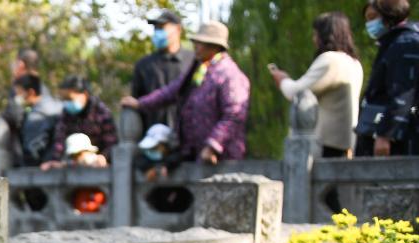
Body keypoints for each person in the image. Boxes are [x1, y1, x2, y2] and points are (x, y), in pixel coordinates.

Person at [122, 21, 250, 164]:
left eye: (200, 43)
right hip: (196, 156)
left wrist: (213, 146)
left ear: (213, 46)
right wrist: (140, 103)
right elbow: (170, 92)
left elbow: (234, 115)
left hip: (221, 159)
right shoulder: (199, 71)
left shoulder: (229, 75)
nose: (195, 46)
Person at [270, 12, 363, 159]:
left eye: (316, 34)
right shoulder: (354, 63)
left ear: (325, 36)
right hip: (345, 142)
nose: (314, 39)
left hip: (325, 143)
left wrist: (282, 80)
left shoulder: (330, 60)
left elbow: (297, 93)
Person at [356, 0, 419, 157]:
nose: (370, 24)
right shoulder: (393, 42)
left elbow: (403, 94)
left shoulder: (406, 43)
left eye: (373, 17)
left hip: (399, 140)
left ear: (390, 15)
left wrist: (385, 135)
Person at [131, 10, 195, 131]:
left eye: (162, 28)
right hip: (152, 136)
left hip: (187, 135)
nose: (157, 32)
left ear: (178, 29)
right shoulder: (144, 66)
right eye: (156, 29)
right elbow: (137, 105)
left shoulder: (193, 61)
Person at [43, 75, 118, 169]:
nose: (67, 102)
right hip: (73, 166)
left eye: (70, 99)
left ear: (85, 94)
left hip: (102, 166)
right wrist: (54, 160)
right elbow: (59, 140)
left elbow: (111, 142)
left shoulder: (101, 112)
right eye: (64, 99)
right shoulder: (65, 114)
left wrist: (103, 157)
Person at [2, 48, 46, 167]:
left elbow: (14, 117)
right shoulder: (42, 87)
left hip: (25, 158)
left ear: (21, 64)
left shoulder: (20, 89)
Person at [12, 74, 61, 167]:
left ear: (31, 92)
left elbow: (33, 150)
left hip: (47, 167)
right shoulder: (56, 104)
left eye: (19, 93)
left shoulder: (37, 116)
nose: (17, 97)